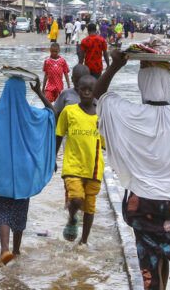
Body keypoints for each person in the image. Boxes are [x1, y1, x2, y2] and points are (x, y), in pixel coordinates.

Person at [93, 49, 170, 289]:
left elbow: (98, 96)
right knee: (163, 261)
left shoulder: (128, 114)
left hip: (142, 204)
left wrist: (115, 66)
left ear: (142, 83)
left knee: (149, 263)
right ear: (167, 83)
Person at [0, 77, 56, 268]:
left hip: (6, 171)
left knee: (5, 210)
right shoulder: (31, 114)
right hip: (25, 171)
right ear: (23, 93)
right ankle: (16, 250)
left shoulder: (1, 113)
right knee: (21, 210)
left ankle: (4, 250)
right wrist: (40, 93)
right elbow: (52, 114)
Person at [54, 74, 105, 245]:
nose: (87, 93)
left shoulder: (101, 115)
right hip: (73, 165)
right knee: (76, 199)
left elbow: (107, 143)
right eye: (83, 89)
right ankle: (72, 216)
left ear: (96, 91)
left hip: (94, 168)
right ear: (77, 90)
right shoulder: (69, 112)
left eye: (91, 90)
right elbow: (59, 135)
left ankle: (83, 241)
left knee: (90, 206)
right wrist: (52, 158)